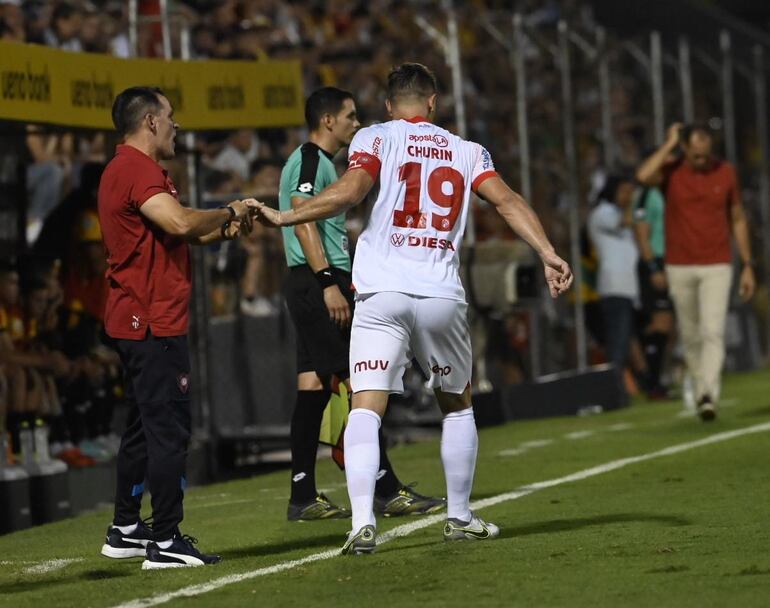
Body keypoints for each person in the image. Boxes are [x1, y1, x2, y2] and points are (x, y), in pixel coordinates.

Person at [253, 63, 573, 554]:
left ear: (386, 105)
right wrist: (547, 251)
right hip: (440, 293)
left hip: (381, 291)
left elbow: (352, 191)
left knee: (366, 405)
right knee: (457, 403)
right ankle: (460, 516)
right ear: (433, 103)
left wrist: (287, 215)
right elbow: (506, 201)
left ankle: (362, 523)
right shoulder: (467, 151)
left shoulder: (375, 138)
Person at [97, 86, 257, 569]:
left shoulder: (129, 168)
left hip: (139, 317)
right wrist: (228, 211)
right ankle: (165, 540)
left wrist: (221, 228)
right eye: (170, 116)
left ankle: (125, 527)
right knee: (169, 431)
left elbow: (178, 232)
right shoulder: (135, 169)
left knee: (144, 429)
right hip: (151, 321)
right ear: (149, 122)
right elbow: (182, 223)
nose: (176, 125)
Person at [279, 86, 445, 521]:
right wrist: (328, 282)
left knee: (314, 388)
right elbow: (303, 218)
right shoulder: (312, 160)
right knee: (361, 385)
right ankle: (385, 489)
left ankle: (302, 495)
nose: (357, 123)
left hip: (307, 282)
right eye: (350, 116)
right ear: (328, 121)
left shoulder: (321, 163)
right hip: (320, 281)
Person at [636, 122, 755, 421]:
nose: (703, 159)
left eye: (706, 152)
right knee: (690, 334)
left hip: (717, 262)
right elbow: (642, 176)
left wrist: (748, 265)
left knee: (712, 331)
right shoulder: (672, 170)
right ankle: (701, 385)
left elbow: (737, 217)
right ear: (686, 148)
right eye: (696, 153)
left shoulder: (725, 172)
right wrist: (668, 145)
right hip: (680, 264)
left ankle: (707, 393)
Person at [587, 175, 640, 404]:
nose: (629, 197)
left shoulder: (619, 213)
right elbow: (624, 223)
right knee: (617, 344)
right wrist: (632, 203)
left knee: (625, 341)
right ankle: (612, 393)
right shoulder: (603, 213)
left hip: (627, 288)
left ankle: (622, 389)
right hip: (614, 287)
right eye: (625, 191)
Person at [632, 183, 674, 399]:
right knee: (660, 323)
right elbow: (641, 233)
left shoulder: (662, 192)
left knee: (664, 326)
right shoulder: (645, 195)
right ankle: (651, 382)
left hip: (667, 261)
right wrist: (653, 268)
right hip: (654, 263)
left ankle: (654, 380)